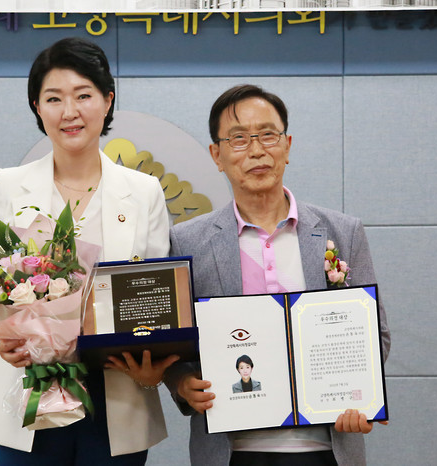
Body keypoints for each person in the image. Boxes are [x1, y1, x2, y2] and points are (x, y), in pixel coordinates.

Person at [0, 37, 178, 465]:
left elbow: (154, 294)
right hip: (30, 389)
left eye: (83, 95)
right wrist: (1, 336)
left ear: (108, 101)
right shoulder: (9, 186)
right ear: (37, 108)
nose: (69, 111)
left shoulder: (143, 191)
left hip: (117, 392)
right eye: (54, 98)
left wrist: (151, 355)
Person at [164, 85, 391, 466]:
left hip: (326, 449)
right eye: (238, 139)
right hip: (231, 451)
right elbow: (174, 347)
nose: (256, 150)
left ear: (287, 145)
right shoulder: (187, 241)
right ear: (217, 155)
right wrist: (183, 383)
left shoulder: (342, 232)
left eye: (267, 135)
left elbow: (375, 335)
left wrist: (359, 394)